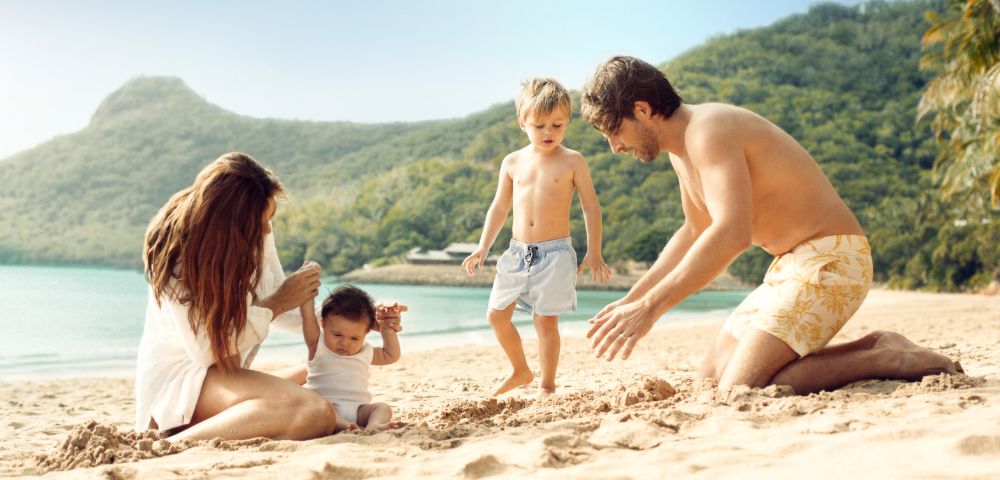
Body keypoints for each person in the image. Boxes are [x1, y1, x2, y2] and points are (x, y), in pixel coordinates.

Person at [581, 56, 961, 394]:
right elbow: (694, 230)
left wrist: (652, 307)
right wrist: (633, 300)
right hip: (790, 267)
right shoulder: (681, 151)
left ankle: (887, 359)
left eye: (614, 131)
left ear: (643, 110)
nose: (615, 146)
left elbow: (732, 232)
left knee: (742, 386)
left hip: (832, 260)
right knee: (710, 381)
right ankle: (877, 344)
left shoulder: (707, 130)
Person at [135, 152, 345, 441]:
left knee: (333, 371)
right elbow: (206, 351)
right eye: (259, 223)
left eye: (270, 219)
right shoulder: (178, 255)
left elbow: (280, 308)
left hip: (224, 376)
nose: (266, 230)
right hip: (181, 383)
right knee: (315, 412)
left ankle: (244, 415)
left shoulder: (256, 234)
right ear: (230, 222)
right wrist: (280, 301)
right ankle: (173, 444)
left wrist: (359, 320)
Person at [462, 77, 612, 397]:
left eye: (557, 125)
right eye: (540, 125)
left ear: (567, 122)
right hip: (517, 252)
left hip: (555, 253)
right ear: (523, 123)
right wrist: (482, 247)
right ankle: (520, 370)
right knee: (496, 315)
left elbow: (590, 206)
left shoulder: (573, 160)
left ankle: (547, 385)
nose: (548, 132)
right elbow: (499, 208)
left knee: (545, 323)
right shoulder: (512, 162)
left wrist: (594, 251)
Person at [300, 284, 404, 431]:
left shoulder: (366, 351)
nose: (345, 343)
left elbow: (391, 355)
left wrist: (387, 329)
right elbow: (308, 316)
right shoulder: (317, 345)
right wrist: (307, 295)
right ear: (323, 324)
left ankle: (373, 425)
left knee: (383, 408)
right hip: (326, 408)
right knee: (319, 409)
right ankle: (343, 424)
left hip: (358, 410)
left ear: (367, 333)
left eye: (355, 338)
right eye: (337, 335)